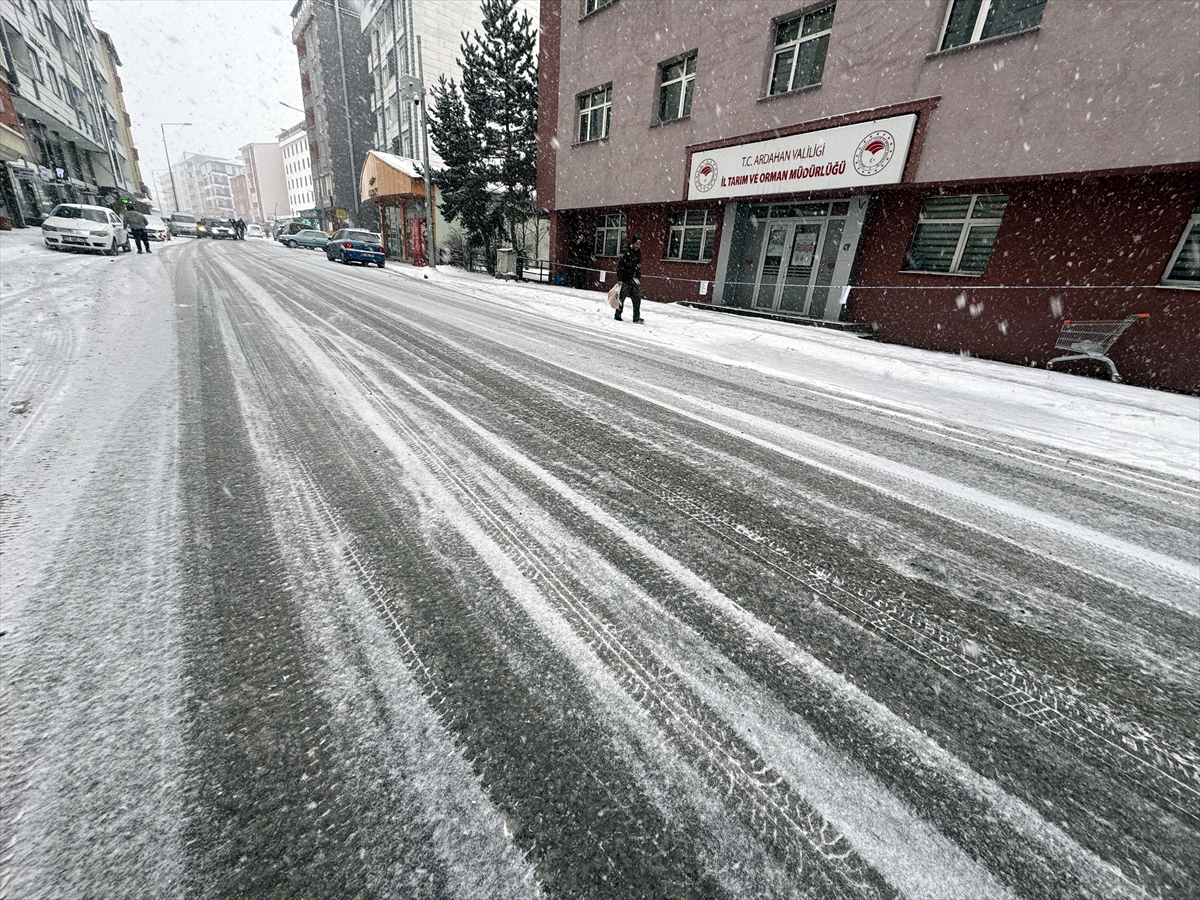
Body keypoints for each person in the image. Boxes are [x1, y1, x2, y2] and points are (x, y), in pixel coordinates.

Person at [615, 234, 644, 323]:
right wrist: (620, 279)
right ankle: (618, 315)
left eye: (639, 244)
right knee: (621, 298)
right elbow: (620, 267)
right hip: (625, 279)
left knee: (637, 299)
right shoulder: (626, 253)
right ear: (632, 243)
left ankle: (636, 317)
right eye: (636, 244)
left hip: (634, 280)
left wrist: (638, 277)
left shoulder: (638, 254)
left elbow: (638, 267)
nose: (637, 246)